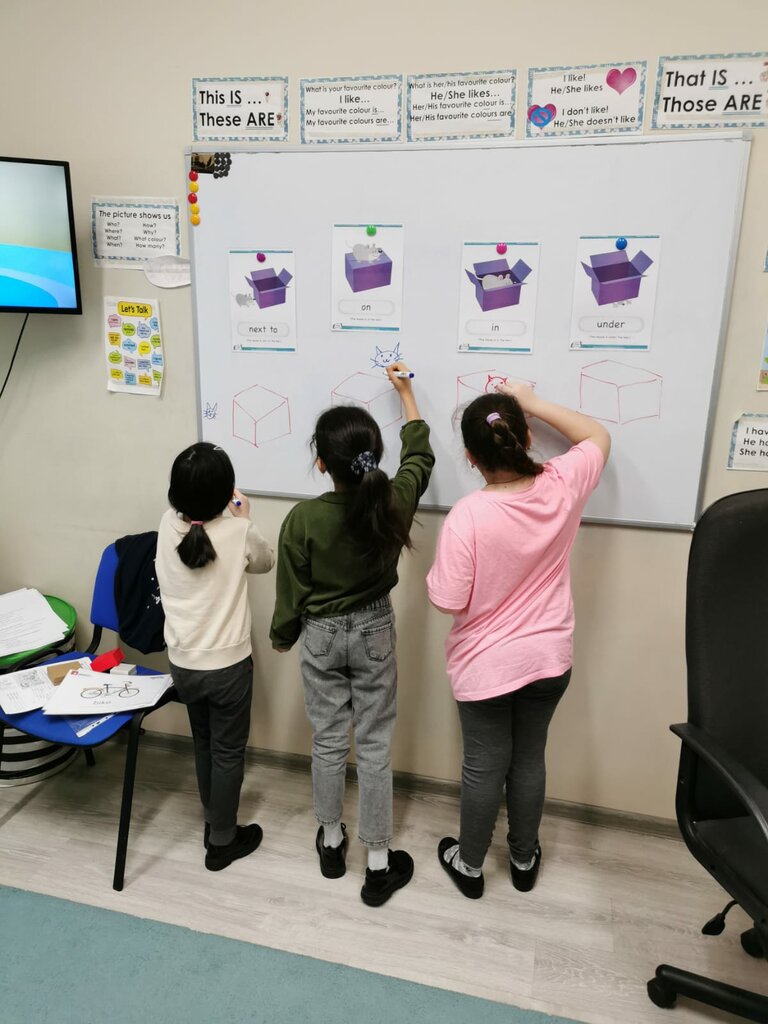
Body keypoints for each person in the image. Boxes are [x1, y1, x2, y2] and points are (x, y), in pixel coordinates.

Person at [426, 381, 610, 899]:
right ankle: (524, 859)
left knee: (484, 767)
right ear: (527, 437)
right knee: (529, 760)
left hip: (486, 667)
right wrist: (531, 402)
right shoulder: (562, 483)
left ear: (469, 458)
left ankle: (470, 865)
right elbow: (596, 435)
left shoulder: (468, 515)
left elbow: (447, 600)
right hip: (549, 659)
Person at [270, 363, 434, 907]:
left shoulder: (302, 518)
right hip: (374, 631)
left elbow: (291, 590)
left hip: (319, 635)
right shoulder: (393, 502)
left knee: (328, 739)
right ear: (373, 458)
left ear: (321, 461)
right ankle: (379, 864)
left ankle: (332, 841)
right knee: (375, 742)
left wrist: (283, 635)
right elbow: (420, 459)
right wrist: (407, 395)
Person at [156, 442, 274, 872]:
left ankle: (213, 818)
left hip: (184, 664)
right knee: (228, 752)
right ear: (226, 493)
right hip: (228, 669)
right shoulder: (237, 532)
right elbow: (265, 562)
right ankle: (222, 840)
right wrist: (244, 519)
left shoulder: (166, 524)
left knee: (204, 742)